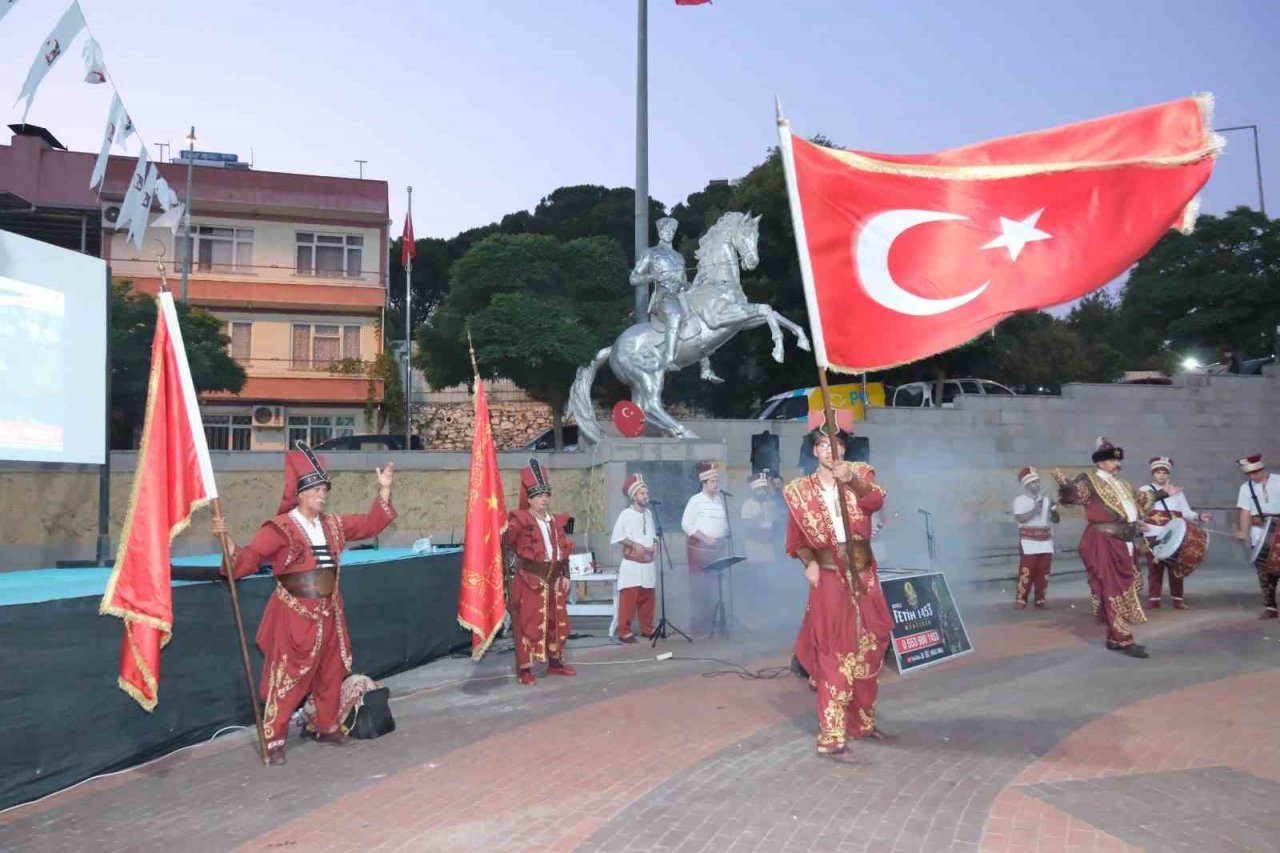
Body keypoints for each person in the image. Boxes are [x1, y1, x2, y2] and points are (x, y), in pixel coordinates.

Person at [212, 442, 396, 765]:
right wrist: (226, 542)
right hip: (296, 616)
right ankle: (274, 739)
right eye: (315, 489)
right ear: (299, 494)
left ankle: (325, 725)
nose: (322, 494)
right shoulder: (280, 528)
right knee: (289, 677)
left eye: (324, 489)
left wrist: (384, 491)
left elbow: (369, 525)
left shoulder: (333, 525)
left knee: (330, 672)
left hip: (330, 613)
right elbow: (250, 558)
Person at [784, 426, 893, 756]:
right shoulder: (799, 491)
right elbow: (796, 540)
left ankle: (861, 721)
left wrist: (851, 479)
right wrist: (809, 563)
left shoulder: (861, 473)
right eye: (822, 445)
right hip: (830, 578)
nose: (830, 450)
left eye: (836, 444)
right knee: (834, 649)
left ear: (844, 449)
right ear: (814, 451)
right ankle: (832, 732)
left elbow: (875, 501)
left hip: (864, 575)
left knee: (872, 644)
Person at [1053, 437, 1178, 658]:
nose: (1117, 464)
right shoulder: (1089, 481)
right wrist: (1065, 486)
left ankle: (1113, 637)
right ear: (1100, 463)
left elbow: (1140, 500)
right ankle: (1123, 639)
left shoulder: (1122, 483)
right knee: (1113, 588)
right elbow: (1073, 495)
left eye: (1117, 461)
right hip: (1104, 541)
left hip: (1125, 541)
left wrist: (1162, 493)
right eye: (1112, 460)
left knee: (1126, 586)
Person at [506, 458, 576, 684]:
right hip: (530, 579)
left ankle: (555, 663)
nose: (544, 499)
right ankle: (525, 670)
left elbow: (563, 550)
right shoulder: (519, 520)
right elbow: (506, 541)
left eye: (547, 495)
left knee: (556, 622)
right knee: (527, 624)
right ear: (530, 498)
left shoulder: (556, 521)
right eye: (539, 495)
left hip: (554, 579)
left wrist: (566, 575)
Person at [1140, 456, 1210, 610]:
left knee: (1177, 567)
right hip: (1153, 533)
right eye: (1158, 472)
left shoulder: (1178, 492)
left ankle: (1178, 599)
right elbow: (1138, 509)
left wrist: (1199, 516)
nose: (1161, 475)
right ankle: (1154, 599)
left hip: (1176, 536)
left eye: (1164, 472)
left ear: (1168, 474)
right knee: (1154, 568)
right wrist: (1140, 524)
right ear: (1153, 474)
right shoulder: (1145, 490)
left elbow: (1185, 512)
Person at [630, 216, 692, 373]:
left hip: (678, 297)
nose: (668, 233)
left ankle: (705, 366)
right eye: (665, 230)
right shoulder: (650, 253)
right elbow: (634, 278)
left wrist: (685, 285)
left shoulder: (679, 257)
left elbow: (682, 282)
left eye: (671, 230)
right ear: (660, 233)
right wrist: (651, 276)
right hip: (662, 298)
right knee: (675, 315)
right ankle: (668, 359)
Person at [681, 461, 728, 634]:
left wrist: (722, 535)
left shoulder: (719, 501)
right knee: (700, 589)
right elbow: (686, 525)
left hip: (716, 549)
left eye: (717, 481)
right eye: (713, 481)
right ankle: (698, 627)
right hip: (699, 550)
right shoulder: (695, 501)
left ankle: (711, 624)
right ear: (704, 483)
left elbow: (722, 523)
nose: (716, 484)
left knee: (714, 588)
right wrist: (706, 538)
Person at [610, 473, 657, 643]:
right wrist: (633, 544)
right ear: (634, 496)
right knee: (629, 597)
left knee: (648, 596)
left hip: (648, 562)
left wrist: (655, 545)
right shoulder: (625, 514)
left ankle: (647, 628)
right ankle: (624, 631)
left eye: (646, 493)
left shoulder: (650, 514)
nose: (646, 496)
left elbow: (652, 534)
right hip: (632, 565)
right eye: (642, 493)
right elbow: (617, 536)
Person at [1234, 454, 1280, 619]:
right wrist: (1243, 532)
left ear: (1262, 469)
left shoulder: (1278, 481)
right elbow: (1245, 511)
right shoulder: (1246, 488)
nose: (1252, 476)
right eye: (1249, 474)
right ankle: (1270, 607)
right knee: (1264, 571)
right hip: (1259, 534)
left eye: (1255, 473)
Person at [1011, 466, 1058, 609]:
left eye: (1037, 481)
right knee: (1027, 571)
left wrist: (1054, 510)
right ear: (1026, 485)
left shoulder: (1047, 500)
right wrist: (1035, 510)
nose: (1036, 484)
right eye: (1033, 482)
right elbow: (1020, 519)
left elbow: (1056, 520)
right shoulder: (1019, 500)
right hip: (1028, 542)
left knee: (1043, 572)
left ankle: (1040, 599)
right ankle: (1021, 599)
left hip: (1045, 542)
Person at [740, 471, 780, 562]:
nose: (763, 492)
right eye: (760, 489)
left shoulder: (770, 503)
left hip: (768, 544)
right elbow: (747, 525)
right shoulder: (747, 505)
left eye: (764, 489)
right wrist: (762, 514)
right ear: (754, 491)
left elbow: (776, 522)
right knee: (755, 571)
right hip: (754, 544)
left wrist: (773, 512)